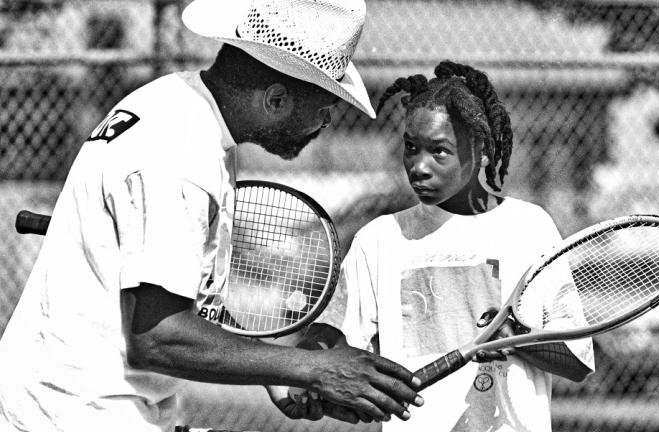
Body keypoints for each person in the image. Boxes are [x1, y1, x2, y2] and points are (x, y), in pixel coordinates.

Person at [0, 1, 424, 431]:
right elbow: (158, 338)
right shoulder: (181, 157)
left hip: (96, 403)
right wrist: (310, 369)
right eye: (324, 103)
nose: (329, 118)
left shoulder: (178, 104)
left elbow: (177, 302)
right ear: (276, 99)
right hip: (72, 412)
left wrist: (277, 365)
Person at [316, 61, 595, 432]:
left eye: (439, 151)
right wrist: (305, 372)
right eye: (411, 148)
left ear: (480, 149)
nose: (418, 166)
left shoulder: (530, 228)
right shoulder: (379, 239)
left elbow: (576, 362)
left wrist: (517, 340)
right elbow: (329, 342)